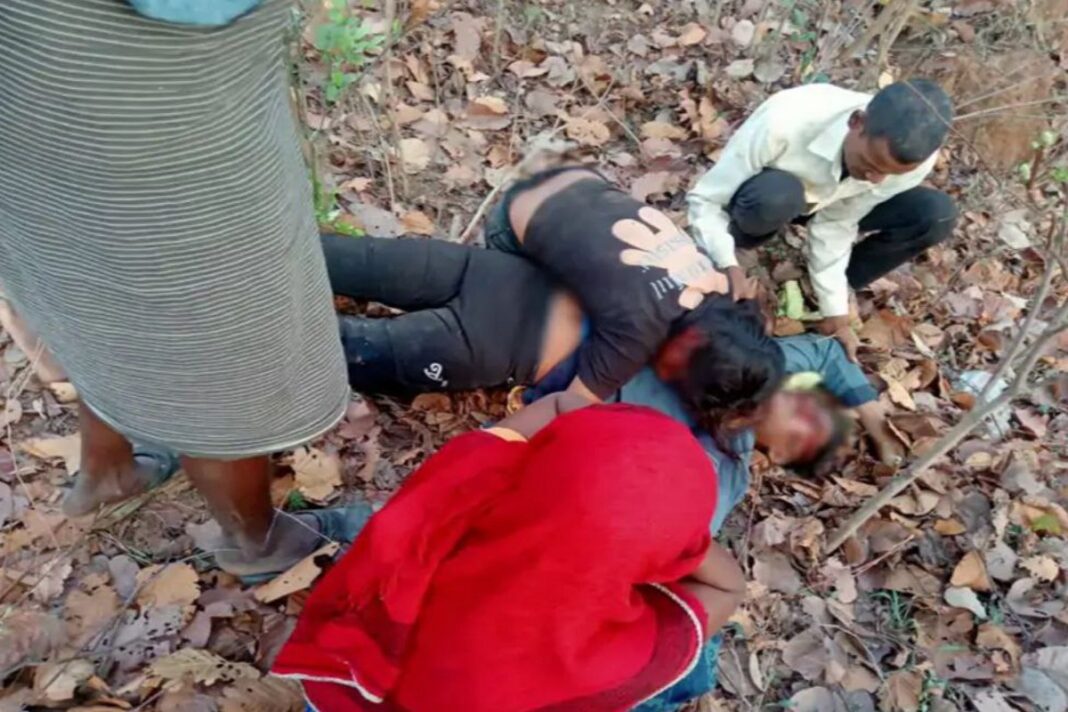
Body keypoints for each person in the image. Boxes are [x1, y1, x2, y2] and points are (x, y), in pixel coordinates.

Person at [0, 0, 360, 580]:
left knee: (87, 273)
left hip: (25, 70)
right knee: (211, 315)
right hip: (141, 78)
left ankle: (106, 471)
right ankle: (255, 542)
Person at [272, 399, 747, 711]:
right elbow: (729, 586)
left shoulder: (471, 473)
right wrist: (665, 537)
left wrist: (595, 443)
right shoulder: (600, 656)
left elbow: (555, 406)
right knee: (685, 644)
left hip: (348, 690)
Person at [322, 234, 902, 471]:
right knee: (328, 255)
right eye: (815, 408)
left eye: (804, 434)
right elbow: (827, 354)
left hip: (493, 346)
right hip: (499, 275)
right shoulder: (772, 362)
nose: (802, 411)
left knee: (325, 349)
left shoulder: (716, 460)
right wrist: (873, 417)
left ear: (778, 454)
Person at [687, 79, 958, 361]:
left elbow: (837, 222)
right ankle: (741, 240)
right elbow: (706, 199)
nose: (876, 179)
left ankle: (827, 290)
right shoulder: (786, 119)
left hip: (828, 202)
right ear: (857, 122)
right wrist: (726, 262)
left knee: (936, 213)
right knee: (778, 195)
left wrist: (835, 311)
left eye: (889, 173)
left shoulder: (911, 161)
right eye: (871, 164)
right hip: (771, 195)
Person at [482, 164, 749, 402]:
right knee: (567, 320)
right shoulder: (639, 337)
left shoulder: (719, 284)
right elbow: (571, 404)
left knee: (609, 285)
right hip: (509, 223)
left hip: (579, 179)